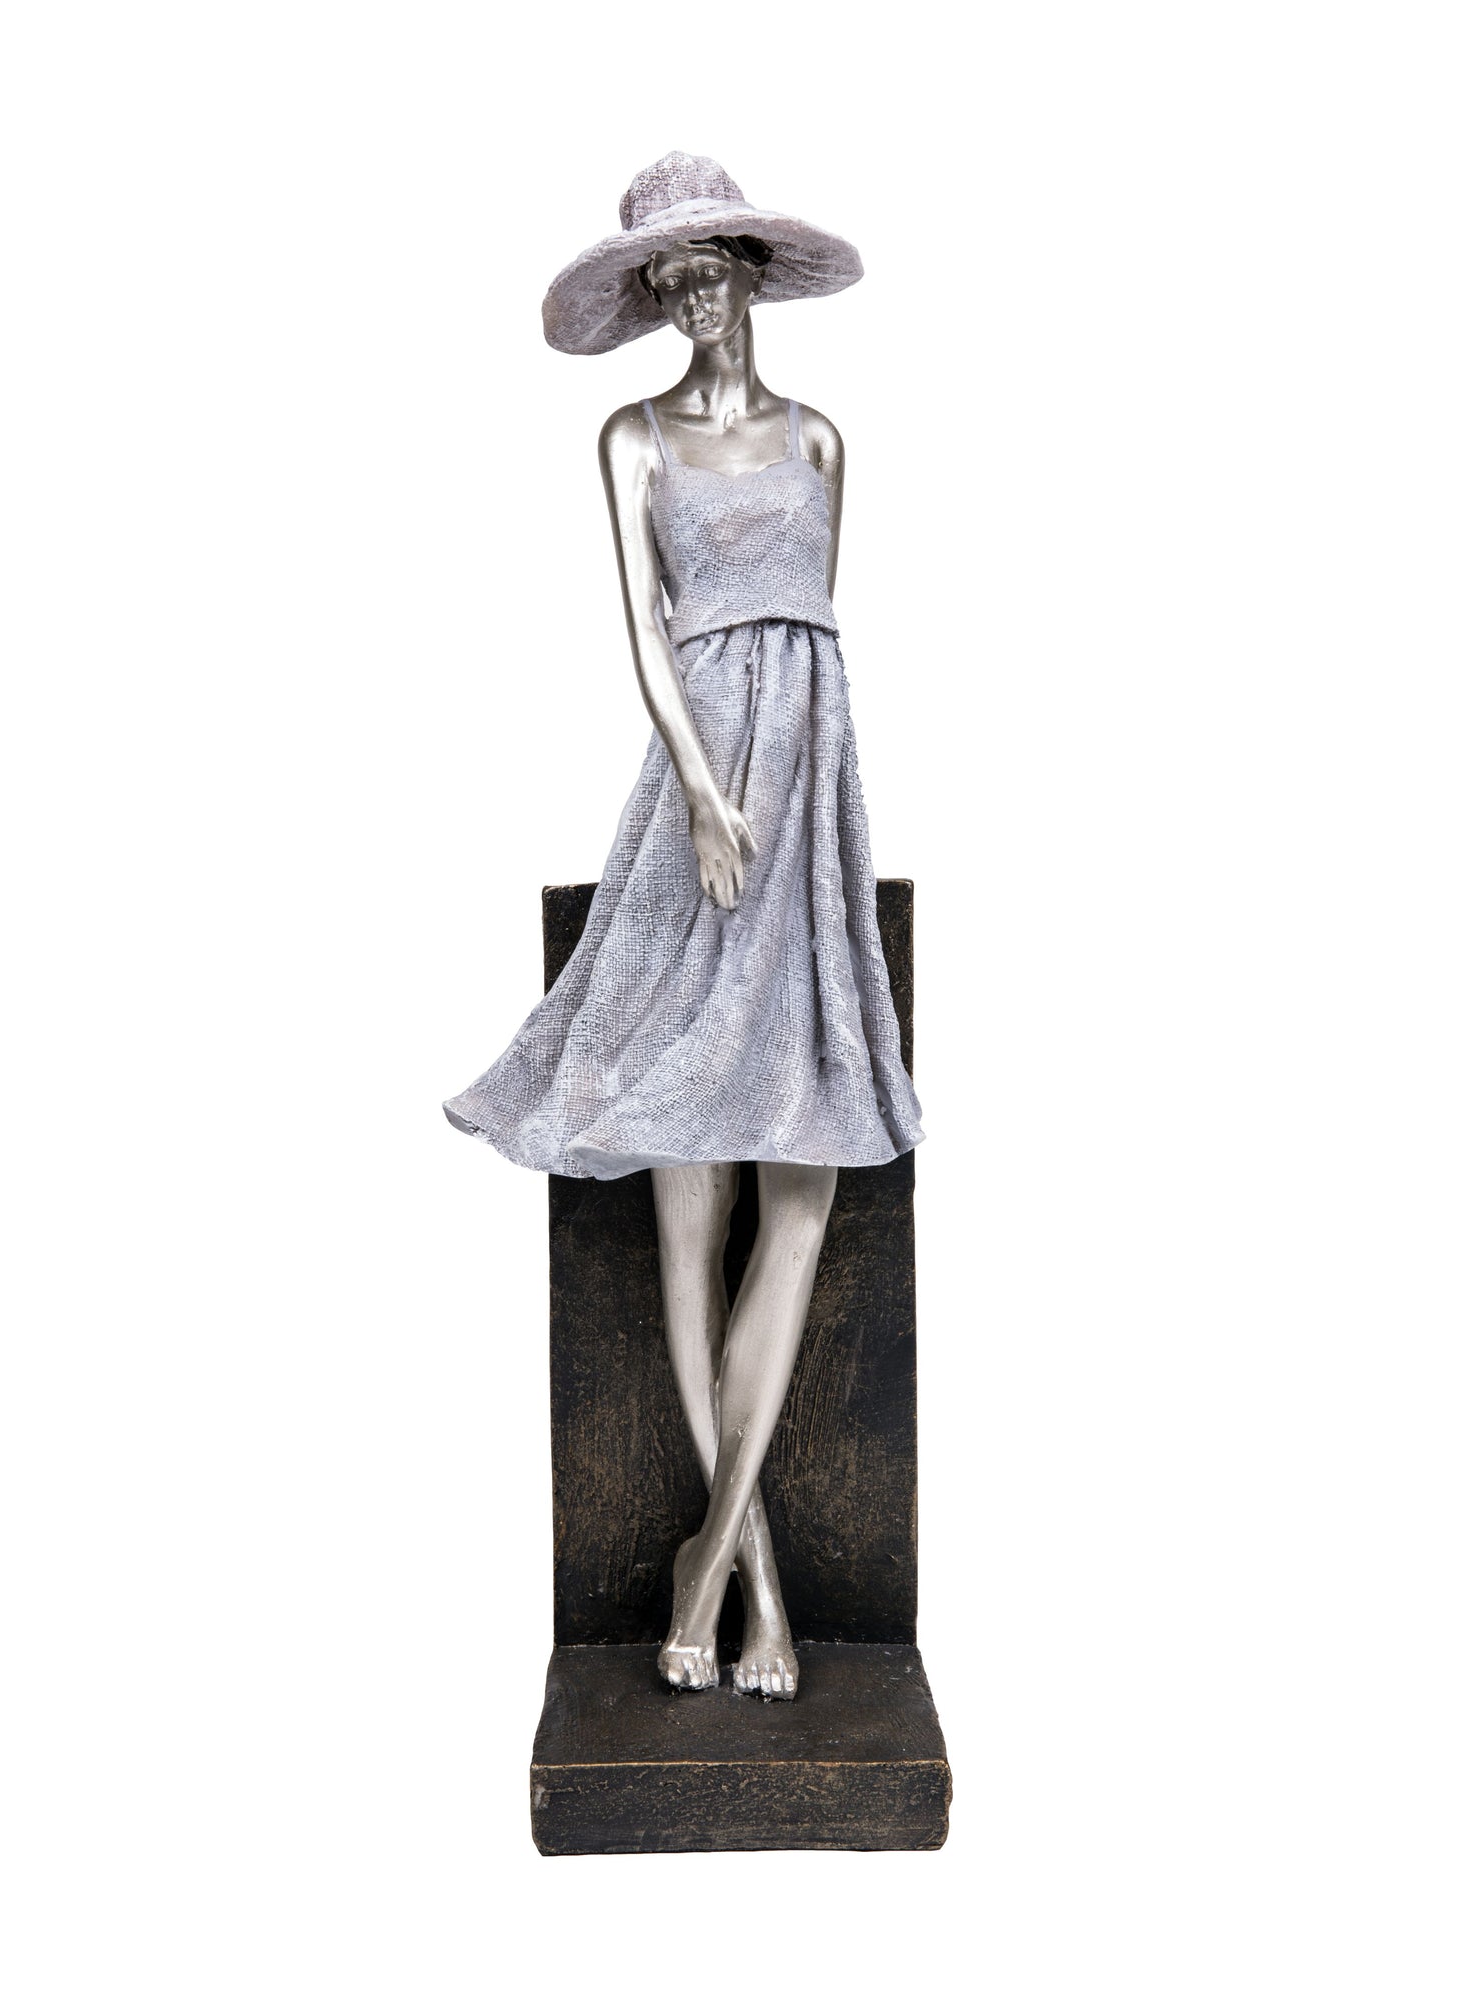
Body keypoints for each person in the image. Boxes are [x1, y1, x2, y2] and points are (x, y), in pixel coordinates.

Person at [445, 154, 922, 1697]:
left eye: (710, 268)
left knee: (805, 1188)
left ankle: (705, 1559)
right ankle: (753, 1586)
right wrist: (709, 799)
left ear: (750, 273)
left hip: (811, 796)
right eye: (668, 281)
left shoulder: (821, 438)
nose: (693, 296)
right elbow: (653, 636)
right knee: (688, 1194)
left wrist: (788, 806)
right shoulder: (632, 439)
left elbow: (810, 639)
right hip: (701, 794)